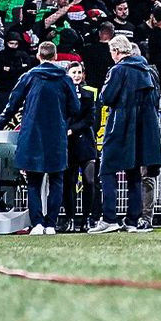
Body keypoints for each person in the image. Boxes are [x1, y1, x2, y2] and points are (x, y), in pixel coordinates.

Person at [0, 41, 78, 236]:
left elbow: (12, 104)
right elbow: (75, 107)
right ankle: (51, 225)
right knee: (57, 181)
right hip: (57, 136)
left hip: (33, 135)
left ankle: (38, 224)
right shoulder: (65, 79)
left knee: (33, 181)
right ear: (55, 57)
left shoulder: (29, 76)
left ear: (38, 56)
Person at [92, 35, 161, 233]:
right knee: (134, 174)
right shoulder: (147, 70)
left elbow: (106, 97)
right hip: (143, 130)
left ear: (116, 51)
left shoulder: (118, 70)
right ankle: (132, 221)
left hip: (120, 127)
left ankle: (109, 218)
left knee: (107, 171)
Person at [61, 58, 101, 232]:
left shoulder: (88, 94)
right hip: (68, 146)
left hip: (86, 144)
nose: (77, 75)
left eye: (79, 72)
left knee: (89, 182)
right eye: (73, 72)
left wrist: (72, 129)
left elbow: (90, 120)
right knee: (68, 182)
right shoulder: (61, 94)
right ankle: (69, 219)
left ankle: (87, 219)